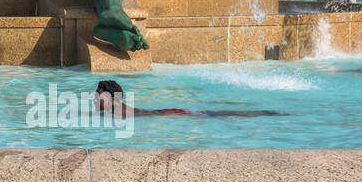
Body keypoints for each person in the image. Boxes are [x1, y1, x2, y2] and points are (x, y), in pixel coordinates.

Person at [92, 80, 283, 117]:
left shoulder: (115, 110)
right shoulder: (115, 108)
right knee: (213, 114)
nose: (93, 99)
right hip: (170, 112)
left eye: (97, 94)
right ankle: (258, 113)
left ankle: (257, 113)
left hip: (172, 113)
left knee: (214, 115)